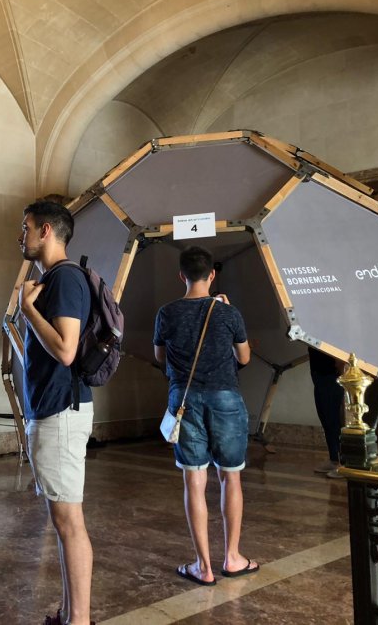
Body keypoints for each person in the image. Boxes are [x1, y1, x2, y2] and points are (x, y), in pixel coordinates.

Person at [153, 245, 258, 586]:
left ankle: (203, 566)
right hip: (226, 398)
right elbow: (244, 359)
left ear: (181, 275)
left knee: (194, 482)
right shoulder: (229, 313)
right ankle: (232, 558)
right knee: (231, 477)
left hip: (183, 400)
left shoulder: (166, 313)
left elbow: (160, 356)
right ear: (212, 274)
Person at [17, 200, 94, 625]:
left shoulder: (64, 278)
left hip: (62, 411)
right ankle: (70, 613)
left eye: (25, 227)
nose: (20, 234)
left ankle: (79, 619)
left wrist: (28, 311)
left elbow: (65, 349)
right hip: (54, 409)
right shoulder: (55, 279)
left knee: (69, 522)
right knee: (63, 520)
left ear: (45, 229)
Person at [308, 347, 345, 478]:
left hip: (332, 374)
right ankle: (334, 459)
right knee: (326, 418)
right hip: (319, 374)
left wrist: (340, 369)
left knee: (334, 420)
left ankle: (344, 464)